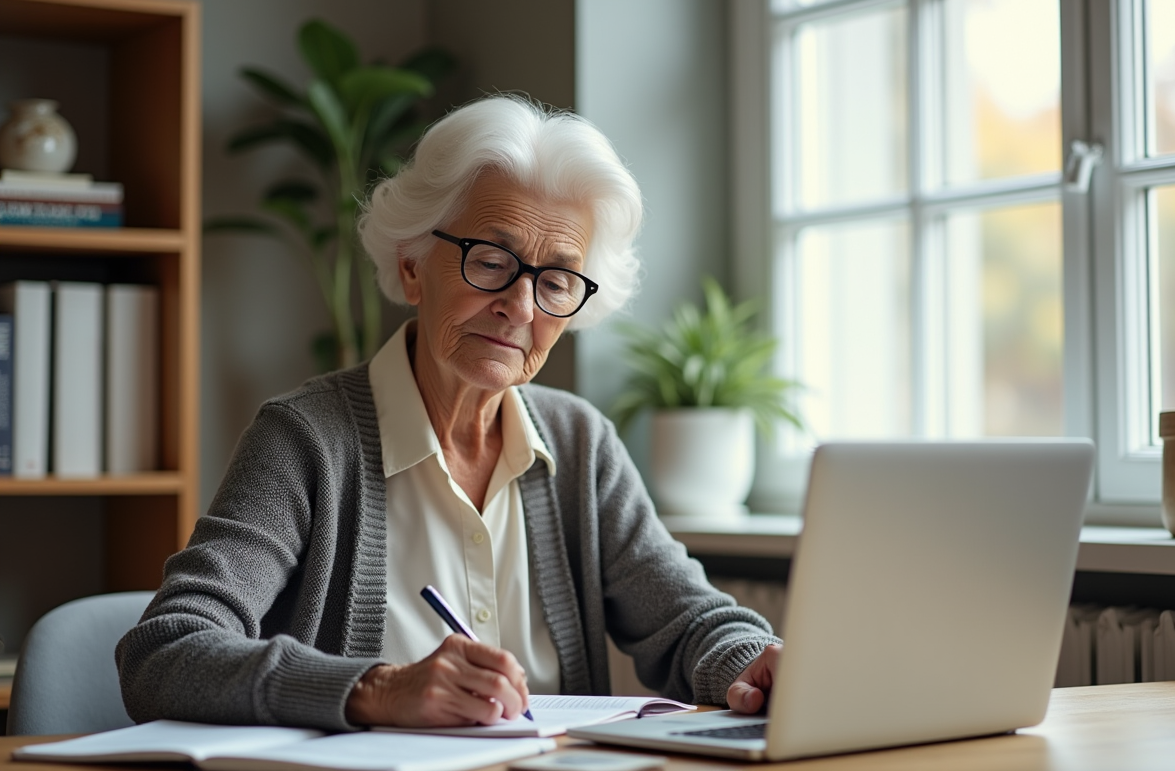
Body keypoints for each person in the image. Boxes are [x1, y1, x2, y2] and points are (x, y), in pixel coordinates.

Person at [116, 94, 782, 731]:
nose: (521, 307)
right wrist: (373, 689)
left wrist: (755, 665)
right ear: (412, 267)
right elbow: (166, 653)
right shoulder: (305, 439)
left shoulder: (582, 444)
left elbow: (691, 621)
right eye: (492, 261)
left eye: (555, 281)